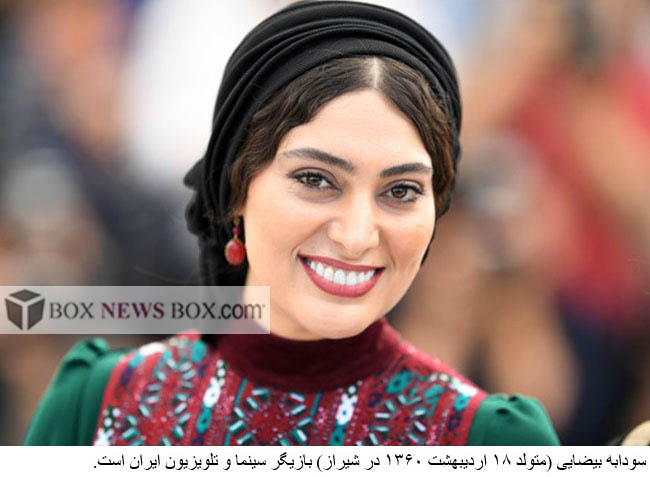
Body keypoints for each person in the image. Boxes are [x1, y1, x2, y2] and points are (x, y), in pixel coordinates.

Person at [24, 1, 559, 446]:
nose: (357, 235)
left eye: (401, 191)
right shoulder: (96, 407)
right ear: (236, 188)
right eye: (316, 180)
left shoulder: (489, 440)